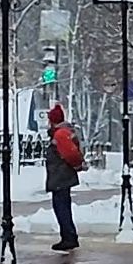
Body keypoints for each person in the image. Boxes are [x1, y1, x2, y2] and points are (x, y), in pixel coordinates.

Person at [44, 103, 84, 251]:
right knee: (62, 206)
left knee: (61, 207)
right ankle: (68, 236)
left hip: (61, 176)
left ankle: (68, 237)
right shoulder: (63, 132)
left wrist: (76, 165)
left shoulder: (60, 134)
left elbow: (70, 153)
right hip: (61, 175)